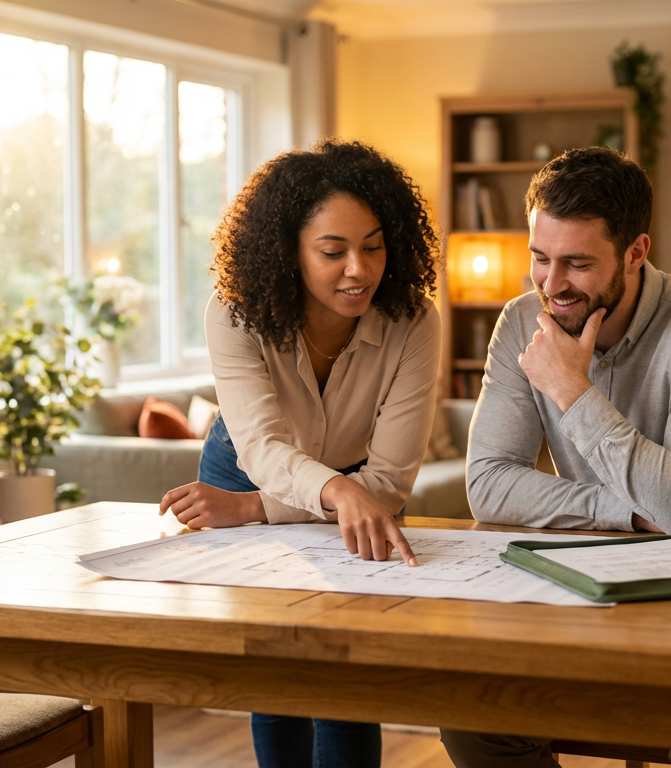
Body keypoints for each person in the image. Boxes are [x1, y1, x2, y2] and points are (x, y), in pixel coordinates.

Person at [440, 147, 671, 768]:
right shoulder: (522, 322)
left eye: (577, 263)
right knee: (473, 715)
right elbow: (488, 485)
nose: (552, 284)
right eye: (540, 259)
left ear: (636, 252)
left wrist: (572, 389)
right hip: (593, 576)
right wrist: (630, 513)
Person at [158, 139, 441, 768]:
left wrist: (256, 510)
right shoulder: (234, 314)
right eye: (333, 251)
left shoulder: (413, 320)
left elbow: (388, 482)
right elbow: (261, 446)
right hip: (241, 465)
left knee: (345, 667)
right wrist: (336, 492)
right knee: (276, 671)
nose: (359, 270)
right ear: (290, 252)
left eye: (373, 245)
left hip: (325, 483)